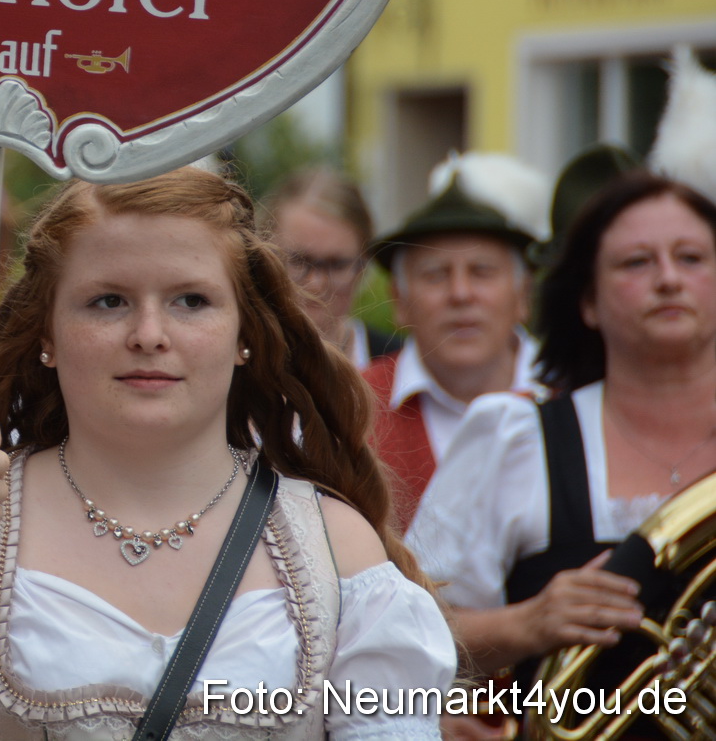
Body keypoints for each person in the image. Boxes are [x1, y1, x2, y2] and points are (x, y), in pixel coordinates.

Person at [0, 167, 454, 741]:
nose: (148, 334)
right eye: (108, 300)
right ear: (47, 333)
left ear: (244, 335)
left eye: (190, 300)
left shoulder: (336, 551)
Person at [407, 173, 716, 687]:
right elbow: (404, 628)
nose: (668, 279)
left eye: (691, 258)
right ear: (588, 301)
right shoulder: (514, 437)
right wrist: (527, 623)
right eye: (636, 262)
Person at [363, 154, 549, 528]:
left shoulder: (576, 395)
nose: (461, 294)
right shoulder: (351, 407)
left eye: (482, 272)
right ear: (399, 301)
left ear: (523, 296)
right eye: (436, 275)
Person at [261, 168, 399, 371]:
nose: (316, 283)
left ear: (362, 265)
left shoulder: (397, 368)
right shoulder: (234, 364)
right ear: (265, 255)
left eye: (337, 264)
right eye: (299, 261)